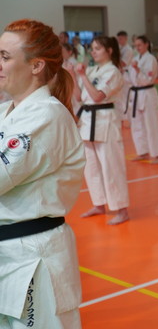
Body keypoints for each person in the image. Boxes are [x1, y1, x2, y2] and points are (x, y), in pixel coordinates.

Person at [0, 19, 85, 328]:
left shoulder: (47, 115)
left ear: (36, 66)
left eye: (5, 57)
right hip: (11, 253)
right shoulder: (6, 111)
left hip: (33, 257)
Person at [72, 36, 130, 225]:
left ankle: (122, 209)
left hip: (105, 121)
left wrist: (82, 76)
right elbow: (79, 97)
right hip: (87, 121)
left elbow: (97, 96)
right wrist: (73, 75)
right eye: (92, 48)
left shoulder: (113, 71)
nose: (93, 52)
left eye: (97, 48)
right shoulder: (92, 70)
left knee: (111, 166)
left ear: (109, 51)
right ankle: (99, 204)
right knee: (91, 167)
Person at [126, 35, 158, 164]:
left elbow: (148, 79)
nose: (137, 48)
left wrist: (137, 69)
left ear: (146, 44)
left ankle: (157, 154)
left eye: (139, 45)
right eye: (135, 46)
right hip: (136, 94)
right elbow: (131, 78)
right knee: (137, 125)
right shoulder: (135, 59)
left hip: (147, 93)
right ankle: (142, 152)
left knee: (151, 124)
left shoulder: (151, 59)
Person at [116, 30, 134, 124]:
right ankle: (123, 117)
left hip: (126, 75)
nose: (119, 40)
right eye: (118, 39)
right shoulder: (120, 48)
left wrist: (114, 57)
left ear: (126, 39)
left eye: (121, 39)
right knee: (120, 98)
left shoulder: (128, 49)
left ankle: (128, 119)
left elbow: (123, 63)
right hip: (120, 74)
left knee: (127, 98)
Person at [62, 43, 81, 114]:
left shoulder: (73, 62)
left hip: (74, 87)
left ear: (70, 52)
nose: (61, 54)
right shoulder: (65, 62)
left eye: (63, 51)